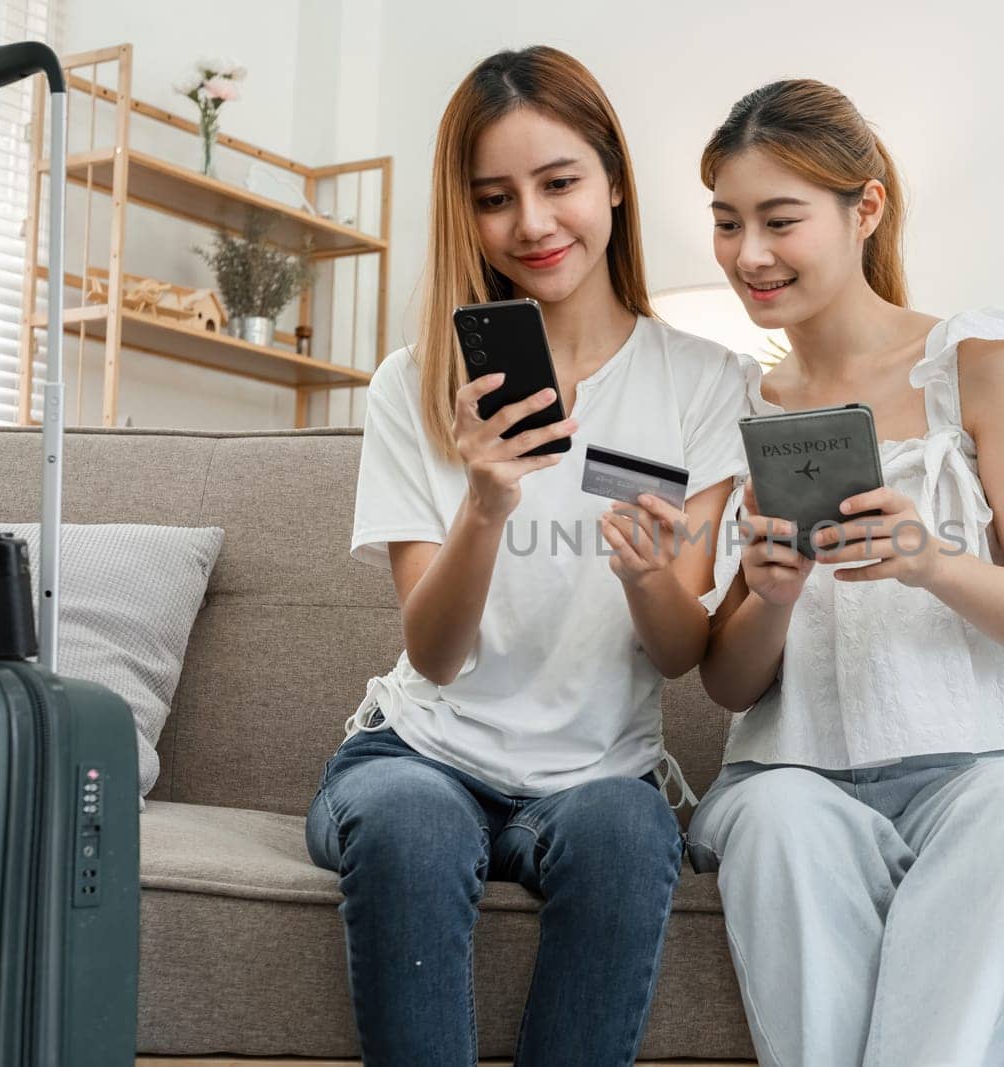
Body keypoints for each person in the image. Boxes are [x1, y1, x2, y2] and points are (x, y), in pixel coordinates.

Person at [304, 46, 747, 1067]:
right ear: (467, 214)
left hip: (601, 774)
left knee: (631, 841)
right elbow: (436, 657)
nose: (534, 224)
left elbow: (683, 655)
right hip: (419, 756)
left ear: (614, 182)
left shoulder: (704, 383)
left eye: (559, 184)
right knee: (409, 824)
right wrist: (488, 504)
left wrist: (646, 575)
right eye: (496, 198)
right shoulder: (415, 383)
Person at [685, 78, 1004, 1066]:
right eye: (726, 222)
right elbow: (724, 681)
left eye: (779, 219)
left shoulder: (978, 360)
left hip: (972, 774)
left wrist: (929, 560)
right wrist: (772, 596)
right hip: (784, 775)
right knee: (782, 820)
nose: (749, 254)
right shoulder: (734, 399)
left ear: (863, 208)